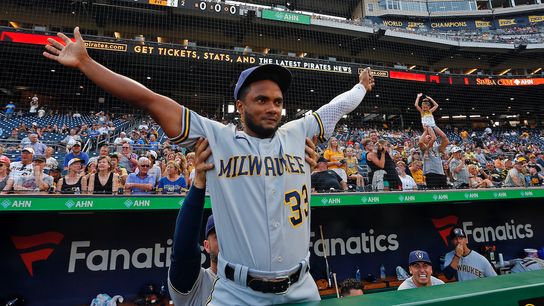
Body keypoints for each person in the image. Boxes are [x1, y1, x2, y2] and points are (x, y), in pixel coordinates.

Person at [44, 28, 374, 304]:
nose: (272, 108)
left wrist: (361, 86)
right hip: (238, 292)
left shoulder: (298, 133)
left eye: (277, 101)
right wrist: (88, 64)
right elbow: (148, 99)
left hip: (302, 287)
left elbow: (337, 106)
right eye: (261, 100)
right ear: (240, 105)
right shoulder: (216, 139)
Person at [169, 138, 318, 306]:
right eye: (218, 236)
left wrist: (298, 173)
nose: (227, 239)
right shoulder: (196, 282)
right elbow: (183, 250)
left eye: (232, 232)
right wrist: (198, 184)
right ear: (206, 245)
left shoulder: (257, 282)